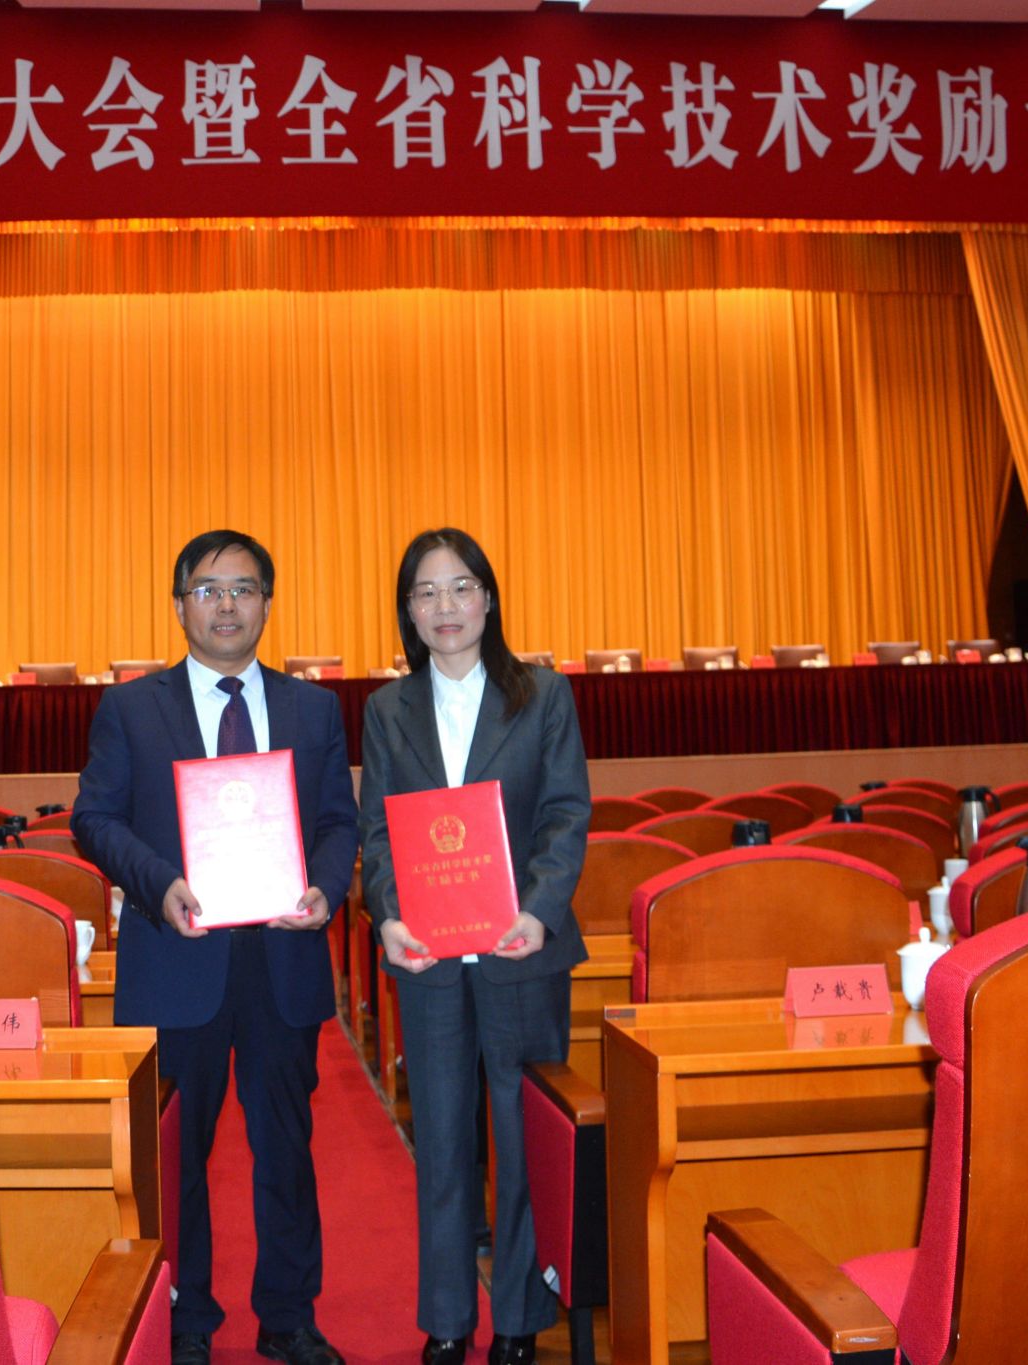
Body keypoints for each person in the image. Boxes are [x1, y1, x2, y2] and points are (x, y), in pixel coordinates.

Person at [73, 530, 359, 1365]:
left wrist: (324, 889)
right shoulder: (132, 708)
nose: (226, 604)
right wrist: (159, 883)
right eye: (208, 589)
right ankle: (187, 1316)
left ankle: (289, 1316)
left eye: (243, 588)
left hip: (282, 958)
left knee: (286, 1148)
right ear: (179, 606)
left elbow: (338, 823)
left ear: (267, 603)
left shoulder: (312, 709)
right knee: (179, 1155)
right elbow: (95, 818)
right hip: (176, 958)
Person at [357, 528, 591, 1365]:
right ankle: (449, 1318)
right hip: (427, 959)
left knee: (523, 1143)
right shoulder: (387, 710)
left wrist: (537, 910)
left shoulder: (543, 695)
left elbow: (565, 814)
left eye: (460, 587)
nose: (444, 606)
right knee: (444, 1144)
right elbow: (377, 833)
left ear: (488, 598)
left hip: (520, 951)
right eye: (425, 593)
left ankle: (521, 1317)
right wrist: (387, 915)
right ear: (408, 611)